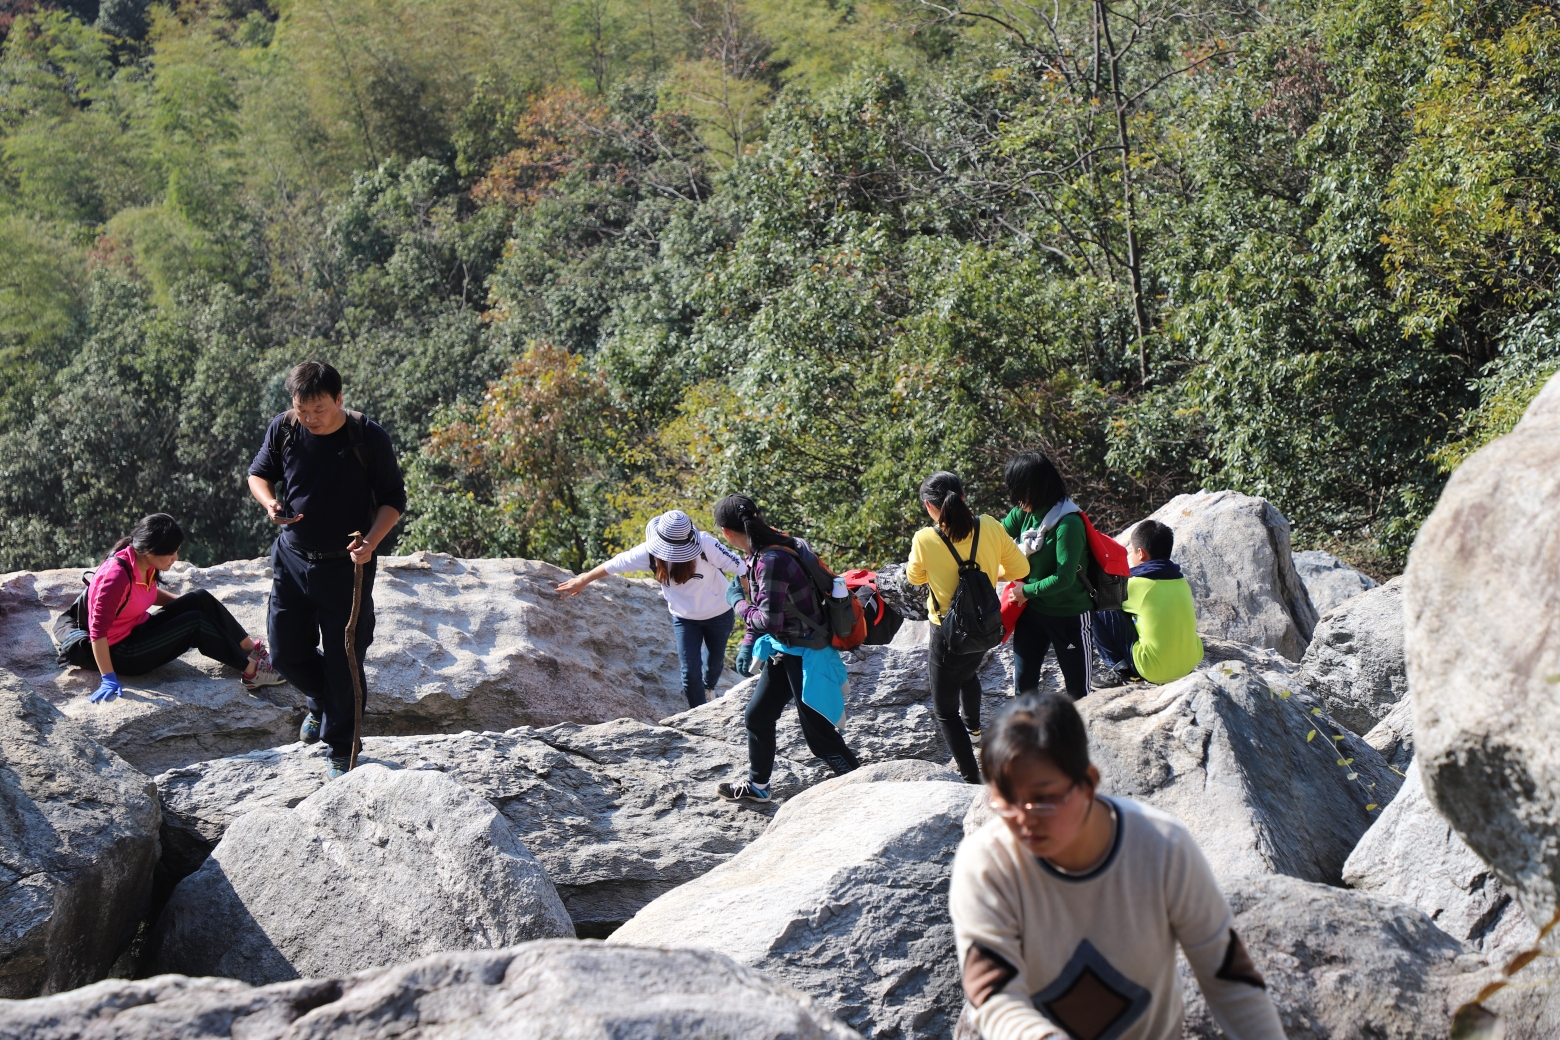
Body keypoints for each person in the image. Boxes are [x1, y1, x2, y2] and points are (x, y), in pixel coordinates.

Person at [950, 692, 1286, 1040]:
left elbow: (1229, 977)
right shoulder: (985, 865)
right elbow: (992, 995)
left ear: (1089, 783)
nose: (1023, 820)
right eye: (1006, 802)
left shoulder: (1161, 847)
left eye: (1043, 800)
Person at [247, 361, 406, 779]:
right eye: (303, 410)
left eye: (319, 409)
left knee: (344, 657)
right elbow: (259, 474)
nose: (311, 419)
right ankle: (320, 700)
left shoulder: (366, 437)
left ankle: (342, 749)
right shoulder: (284, 429)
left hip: (347, 567)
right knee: (284, 654)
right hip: (293, 559)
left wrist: (371, 543)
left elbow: (393, 499)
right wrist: (270, 504)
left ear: (339, 399)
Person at [711, 494, 859, 802]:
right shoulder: (768, 545)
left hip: (806, 653)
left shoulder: (770, 560)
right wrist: (749, 642)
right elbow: (770, 610)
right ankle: (758, 786)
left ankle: (862, 784)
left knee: (820, 738)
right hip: (786, 648)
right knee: (757, 716)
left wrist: (736, 602)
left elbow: (769, 619)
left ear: (725, 532)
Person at [906, 471, 1029, 785]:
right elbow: (1021, 569)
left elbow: (915, 578)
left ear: (929, 507)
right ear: (963, 497)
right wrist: (986, 575)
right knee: (968, 674)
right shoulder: (988, 525)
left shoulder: (925, 538)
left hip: (947, 634)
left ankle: (972, 778)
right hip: (986, 627)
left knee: (945, 711)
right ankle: (974, 730)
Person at [79, 513, 281, 703]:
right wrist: (108, 676)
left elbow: (144, 594)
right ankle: (252, 671)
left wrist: (187, 604)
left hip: (137, 629)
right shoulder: (115, 577)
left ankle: (249, 649)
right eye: (171, 552)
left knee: (199, 598)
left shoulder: (141, 561)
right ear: (150, 550)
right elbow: (97, 631)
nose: (175, 557)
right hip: (122, 652)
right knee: (195, 624)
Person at [556, 510, 746, 711]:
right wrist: (583, 580)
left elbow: (741, 568)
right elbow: (615, 564)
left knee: (714, 664)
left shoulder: (706, 545)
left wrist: (756, 606)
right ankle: (700, 715)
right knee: (689, 673)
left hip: (719, 612)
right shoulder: (650, 553)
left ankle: (709, 688)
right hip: (684, 618)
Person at [999, 452, 1095, 700]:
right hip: (1032, 614)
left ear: (1035, 488)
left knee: (1078, 692)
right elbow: (996, 535)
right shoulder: (1025, 512)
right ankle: (1029, 737)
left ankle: (1080, 737)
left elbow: (1064, 578)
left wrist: (1025, 591)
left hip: (1069, 616)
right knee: (1023, 686)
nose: (1017, 500)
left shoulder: (1069, 524)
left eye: (1019, 491)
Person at [1093, 519, 1204, 686]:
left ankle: (1122, 670)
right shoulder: (1181, 581)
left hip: (1153, 670)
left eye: (1131, 552)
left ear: (1141, 553)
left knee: (1099, 605)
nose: (1130, 557)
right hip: (1189, 664)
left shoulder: (1136, 584)